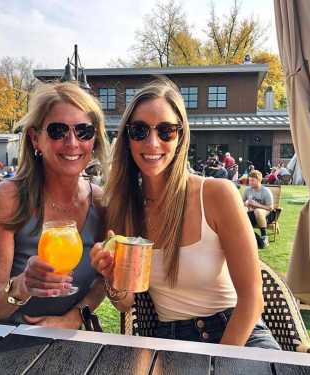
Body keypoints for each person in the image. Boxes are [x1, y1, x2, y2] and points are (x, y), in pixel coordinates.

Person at [90, 79, 280, 349]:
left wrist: (220, 363)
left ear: (180, 137)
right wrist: (112, 278)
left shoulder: (217, 195)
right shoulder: (123, 208)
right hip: (172, 343)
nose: (152, 142)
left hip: (239, 336)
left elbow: (252, 298)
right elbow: (125, 302)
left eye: (166, 130)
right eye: (140, 130)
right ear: (127, 138)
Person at [0, 82, 110, 327]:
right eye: (57, 131)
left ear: (94, 139)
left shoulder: (101, 202)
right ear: (35, 138)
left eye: (84, 131)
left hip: (61, 339)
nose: (72, 143)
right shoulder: (6, 200)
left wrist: (73, 318)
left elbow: (101, 281)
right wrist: (23, 285)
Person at [243, 170, 274, 249]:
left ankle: (264, 236)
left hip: (267, 215)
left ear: (259, 180)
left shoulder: (265, 191)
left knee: (258, 211)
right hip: (251, 213)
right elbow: (241, 203)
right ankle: (245, 236)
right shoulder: (247, 190)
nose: (250, 182)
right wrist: (245, 203)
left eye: (253, 180)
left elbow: (271, 208)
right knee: (243, 210)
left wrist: (257, 205)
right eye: (249, 180)